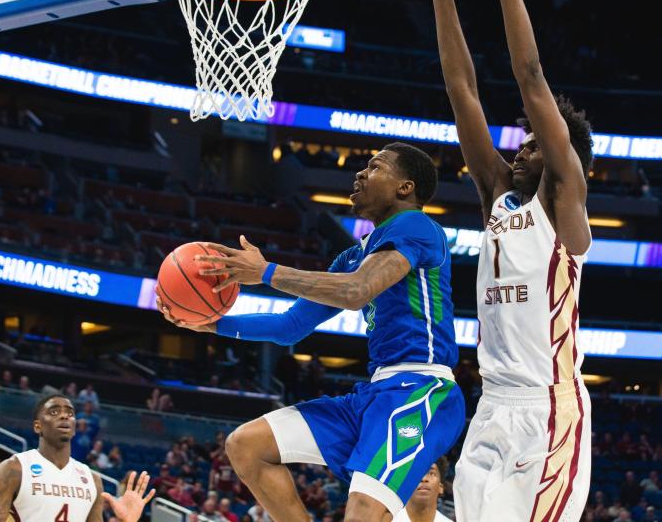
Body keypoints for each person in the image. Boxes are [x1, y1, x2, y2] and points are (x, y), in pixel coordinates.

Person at [162, 142, 465, 522]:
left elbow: (357, 292)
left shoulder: (416, 226)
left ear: (405, 188)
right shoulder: (353, 256)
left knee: (361, 514)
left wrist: (267, 273)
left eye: (375, 167)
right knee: (246, 446)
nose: (359, 173)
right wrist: (212, 324)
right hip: (373, 396)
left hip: (422, 391)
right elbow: (289, 328)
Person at [419, 0, 594, 522]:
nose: (518, 151)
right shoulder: (500, 197)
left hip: (548, 412)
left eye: (533, 145)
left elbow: (530, 77)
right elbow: (462, 87)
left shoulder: (564, 204)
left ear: (563, 156)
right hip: (493, 401)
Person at [0, 394, 154, 522]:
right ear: (38, 426)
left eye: (69, 413)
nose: (64, 416)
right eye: (54, 412)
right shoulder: (13, 470)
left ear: (75, 428)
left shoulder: (92, 480)